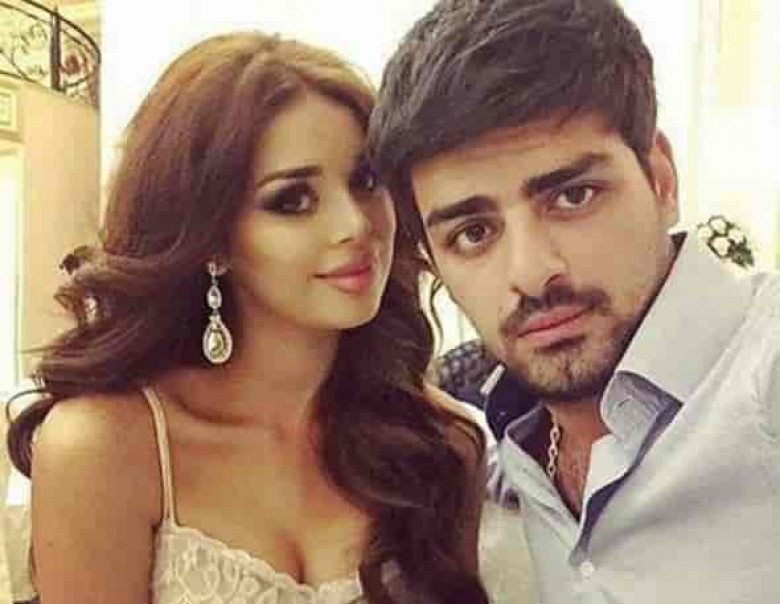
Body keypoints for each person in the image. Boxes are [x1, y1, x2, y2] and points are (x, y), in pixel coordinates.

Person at [6, 32, 493, 604]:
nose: (355, 225)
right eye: (293, 200)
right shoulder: (107, 448)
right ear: (210, 237)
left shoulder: (441, 443)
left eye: (365, 181)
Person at [367, 0, 780, 602]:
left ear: (661, 179)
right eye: (474, 233)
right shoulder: (501, 444)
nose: (532, 273)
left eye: (573, 196)